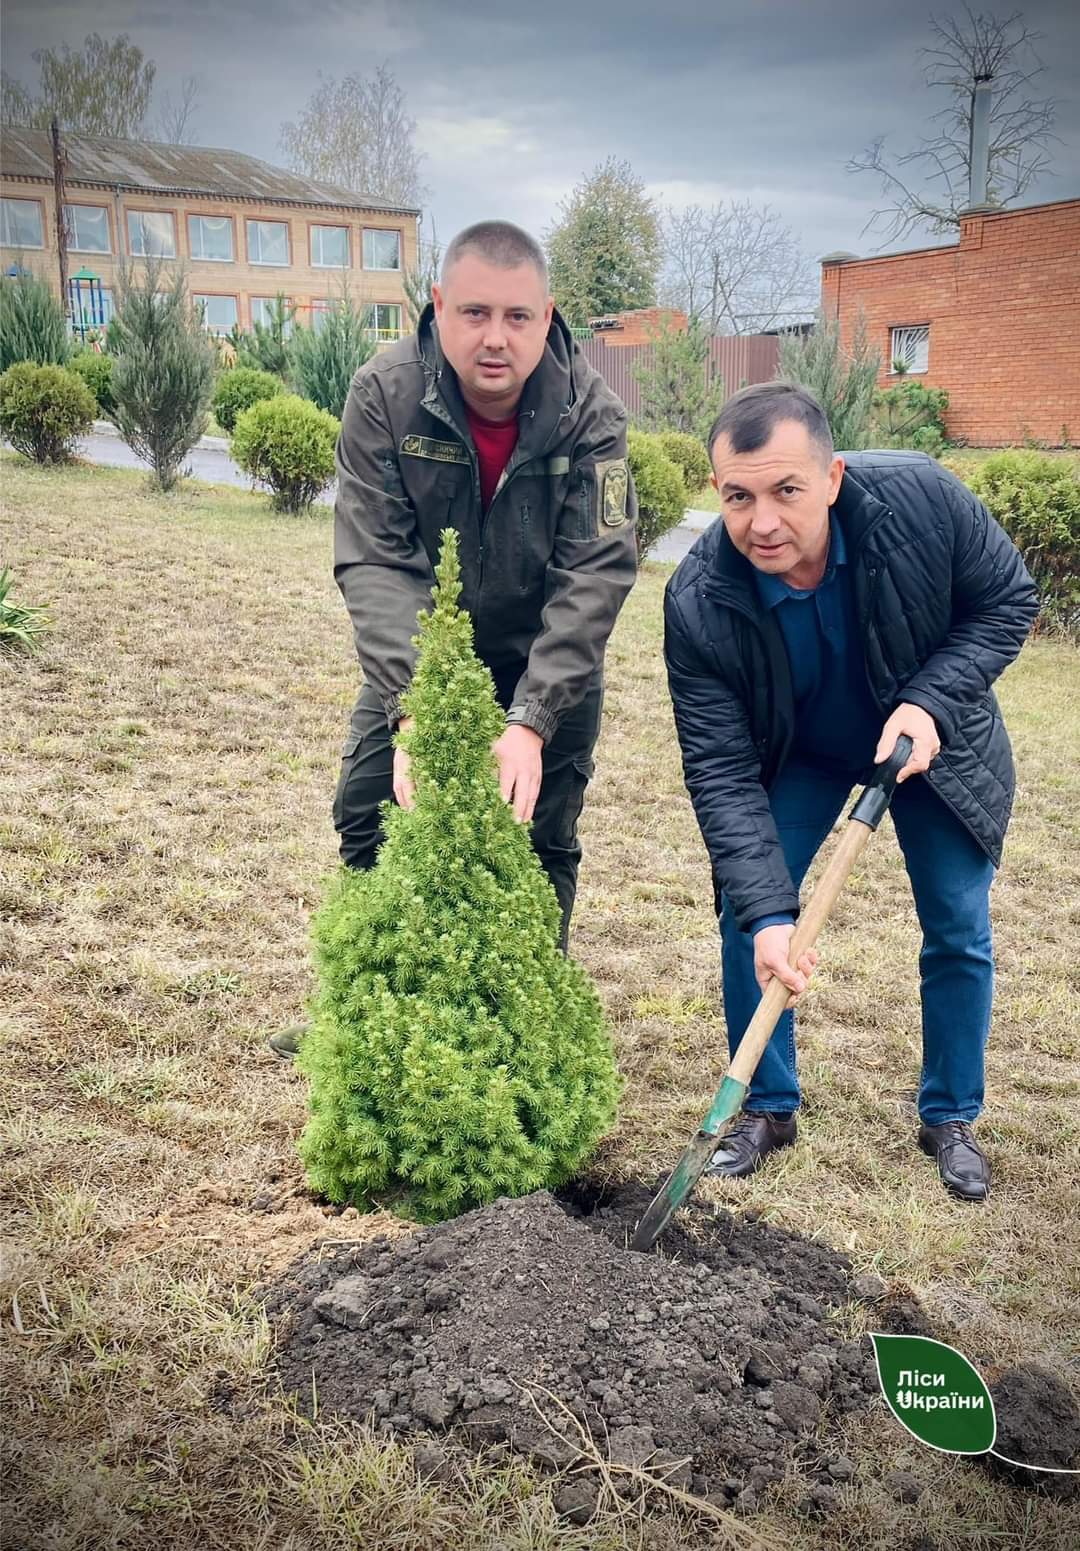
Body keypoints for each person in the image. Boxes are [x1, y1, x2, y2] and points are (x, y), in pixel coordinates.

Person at [270, 221, 637, 1058]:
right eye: (475, 312)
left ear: (549, 316)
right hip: (423, 655)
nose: (495, 337)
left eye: (517, 316)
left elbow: (597, 572)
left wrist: (531, 719)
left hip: (549, 658)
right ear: (438, 308)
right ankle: (369, 1018)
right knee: (367, 812)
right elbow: (374, 561)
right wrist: (414, 710)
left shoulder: (592, 415)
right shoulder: (385, 395)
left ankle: (523, 1033)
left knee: (541, 837)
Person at [664, 382, 1037, 1200]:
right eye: (738, 495)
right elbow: (722, 770)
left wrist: (932, 699)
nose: (762, 521)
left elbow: (1007, 600)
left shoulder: (922, 499)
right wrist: (768, 914)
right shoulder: (698, 602)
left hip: (927, 737)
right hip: (802, 751)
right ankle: (768, 1105)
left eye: (786, 490)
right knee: (748, 908)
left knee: (956, 922)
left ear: (831, 477)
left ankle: (949, 1114)